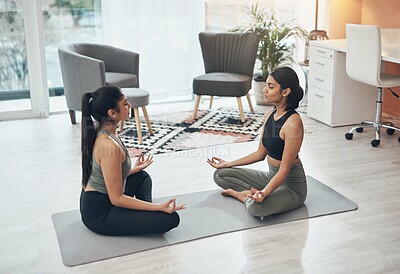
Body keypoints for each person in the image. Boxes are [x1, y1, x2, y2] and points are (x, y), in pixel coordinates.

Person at [80, 85, 185, 236]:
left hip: (103, 198)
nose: (129, 106)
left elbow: (106, 175)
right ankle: (148, 213)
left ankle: (142, 214)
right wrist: (158, 207)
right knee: (171, 219)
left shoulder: (107, 132)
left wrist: (134, 168)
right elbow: (116, 199)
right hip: (100, 213)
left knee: (142, 177)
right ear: (112, 113)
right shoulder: (108, 145)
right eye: (125, 103)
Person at [207, 67, 307, 218]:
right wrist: (227, 164)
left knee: (255, 208)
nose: (265, 90)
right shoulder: (269, 115)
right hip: (271, 177)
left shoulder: (293, 124)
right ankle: (252, 192)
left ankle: (244, 196)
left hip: (291, 187)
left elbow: (284, 170)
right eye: (266, 85)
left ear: (285, 92)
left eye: (271, 86)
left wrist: (265, 192)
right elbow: (260, 154)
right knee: (220, 175)